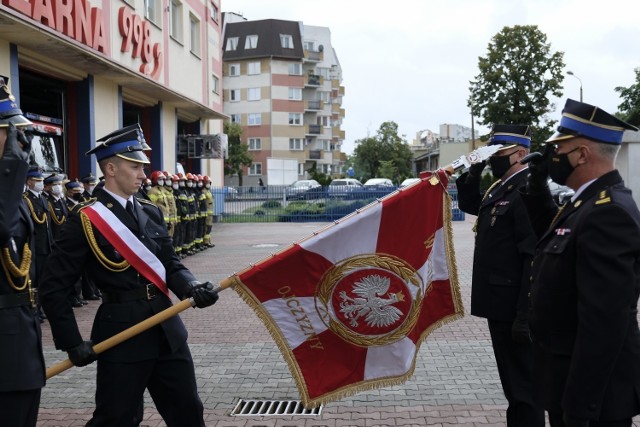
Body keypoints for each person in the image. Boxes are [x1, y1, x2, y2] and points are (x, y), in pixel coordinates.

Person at [39, 123, 220, 426]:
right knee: (117, 418)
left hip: (166, 329)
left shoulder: (150, 210)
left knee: (189, 412)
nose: (142, 174)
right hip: (121, 334)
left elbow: (170, 263)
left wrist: (191, 287)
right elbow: (53, 286)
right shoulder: (85, 218)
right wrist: (71, 341)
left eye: (143, 167)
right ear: (110, 168)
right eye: (135, 166)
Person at [522, 99, 640, 426]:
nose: (553, 157)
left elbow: (604, 322)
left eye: (559, 149)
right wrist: (535, 184)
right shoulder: (586, 202)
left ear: (583, 155)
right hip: (566, 380)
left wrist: (580, 407)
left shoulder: (608, 212)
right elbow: (551, 233)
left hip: (591, 398)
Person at [456, 124, 544, 426]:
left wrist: (525, 314)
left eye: (498, 154)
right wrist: (472, 175)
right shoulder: (502, 187)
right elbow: (472, 205)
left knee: (524, 388)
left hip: (515, 309)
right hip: (501, 306)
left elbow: (533, 257)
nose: (493, 160)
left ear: (521, 154)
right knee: (513, 387)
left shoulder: (527, 191)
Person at [0, 77, 46, 427]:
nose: (21, 143)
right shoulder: (9, 187)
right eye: (12, 133)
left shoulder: (12, 193)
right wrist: (11, 169)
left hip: (20, 344)